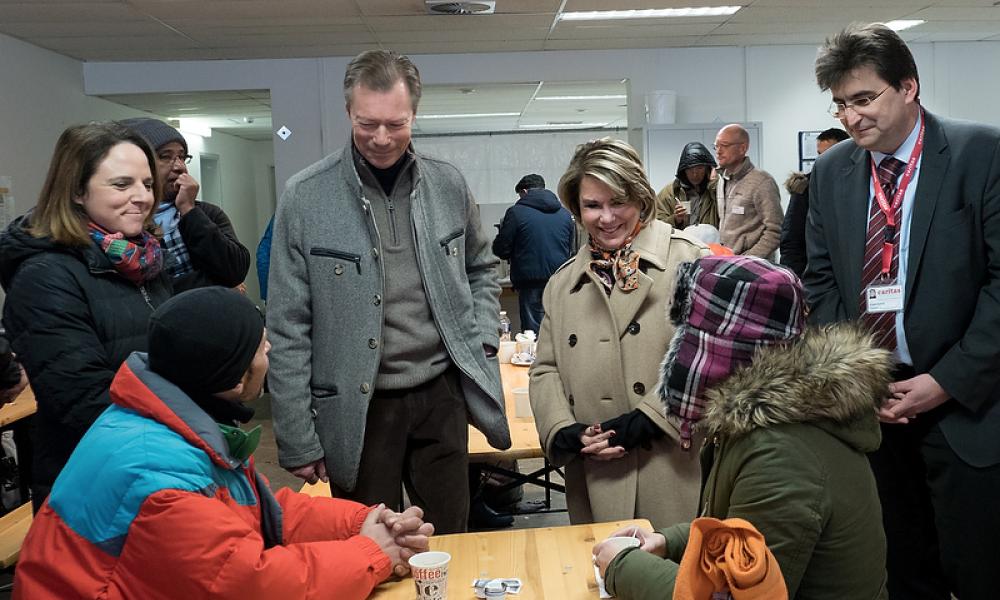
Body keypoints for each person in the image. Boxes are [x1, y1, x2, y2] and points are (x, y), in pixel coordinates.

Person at [13, 287, 433, 599]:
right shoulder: (161, 483)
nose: (269, 348)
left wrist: (364, 522)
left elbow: (260, 511)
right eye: (260, 344)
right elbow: (255, 585)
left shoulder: (171, 422)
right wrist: (371, 553)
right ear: (234, 378)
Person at [268, 49, 510, 535]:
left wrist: (481, 337)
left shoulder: (447, 184)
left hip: (441, 395)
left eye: (396, 124)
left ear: (415, 115)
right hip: (359, 407)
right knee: (369, 544)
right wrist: (297, 436)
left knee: (449, 537)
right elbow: (287, 325)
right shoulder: (305, 196)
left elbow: (482, 268)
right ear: (348, 113)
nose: (381, 138)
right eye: (367, 123)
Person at [806, 22, 1000, 600]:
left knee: (978, 571)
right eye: (841, 104)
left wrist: (945, 381)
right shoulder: (832, 171)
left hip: (966, 404)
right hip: (874, 408)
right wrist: (858, 380)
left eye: (865, 99)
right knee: (898, 570)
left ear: (909, 86)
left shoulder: (981, 154)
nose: (851, 117)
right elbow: (820, 285)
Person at [595, 255, 890, 600]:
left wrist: (622, 565)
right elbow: (741, 534)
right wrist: (668, 541)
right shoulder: (772, 418)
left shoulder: (780, 454)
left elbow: (734, 594)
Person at [529, 138, 708, 528]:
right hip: (594, 470)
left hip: (673, 462)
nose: (606, 218)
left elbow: (713, 357)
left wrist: (647, 420)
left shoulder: (692, 262)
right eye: (592, 205)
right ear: (577, 209)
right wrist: (565, 432)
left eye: (618, 202)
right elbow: (545, 370)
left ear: (641, 198)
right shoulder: (562, 285)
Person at [0, 122, 173, 511]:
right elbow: (82, 400)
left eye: (147, 184)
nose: (141, 197)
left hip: (157, 465)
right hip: (95, 483)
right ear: (77, 190)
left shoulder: (143, 260)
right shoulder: (45, 275)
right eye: (121, 184)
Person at [120, 117, 250, 292]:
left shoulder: (207, 213)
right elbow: (154, 290)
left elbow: (235, 270)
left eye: (182, 157)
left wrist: (189, 210)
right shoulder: (127, 219)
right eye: (165, 157)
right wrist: (217, 284)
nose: (180, 167)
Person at [491, 173, 575, 334]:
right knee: (558, 330)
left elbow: (501, 249)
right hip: (560, 280)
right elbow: (570, 248)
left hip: (530, 281)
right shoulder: (564, 214)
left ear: (525, 191)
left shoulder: (516, 212)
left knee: (533, 333)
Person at [779, 127, 848, 276]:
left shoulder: (858, 184)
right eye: (819, 155)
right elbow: (791, 238)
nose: (822, 160)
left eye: (828, 154)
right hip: (813, 274)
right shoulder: (805, 187)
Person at [714, 124, 783, 258]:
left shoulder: (762, 182)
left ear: (742, 148)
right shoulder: (722, 180)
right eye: (716, 146)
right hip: (728, 264)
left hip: (753, 269)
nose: (718, 151)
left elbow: (776, 231)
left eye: (725, 145)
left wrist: (749, 259)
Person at [654, 141, 719, 229]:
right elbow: (656, 224)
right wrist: (675, 219)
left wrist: (714, 183)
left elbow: (728, 215)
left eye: (699, 168)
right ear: (683, 170)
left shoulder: (718, 189)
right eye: (690, 169)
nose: (695, 174)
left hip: (710, 241)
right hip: (682, 241)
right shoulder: (671, 191)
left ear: (708, 168)